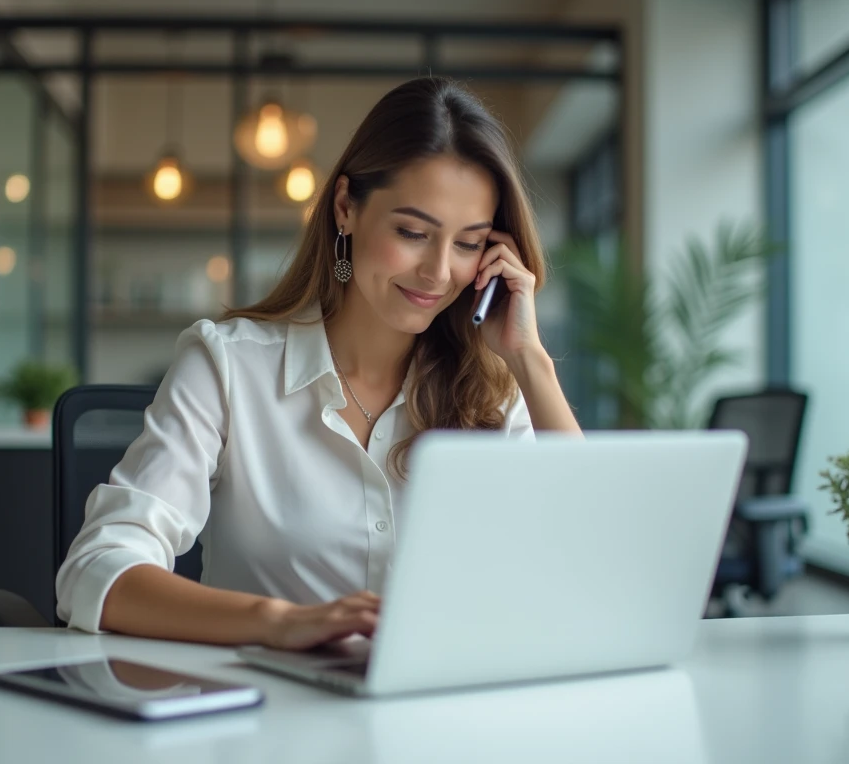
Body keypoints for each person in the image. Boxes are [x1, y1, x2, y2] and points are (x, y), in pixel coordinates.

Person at [56, 76, 580, 650]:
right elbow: (97, 572)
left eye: (469, 244)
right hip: (264, 719)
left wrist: (530, 361)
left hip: (444, 721)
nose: (438, 272)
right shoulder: (228, 366)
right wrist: (283, 623)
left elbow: (590, 567)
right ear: (345, 208)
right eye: (412, 232)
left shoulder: (491, 394)